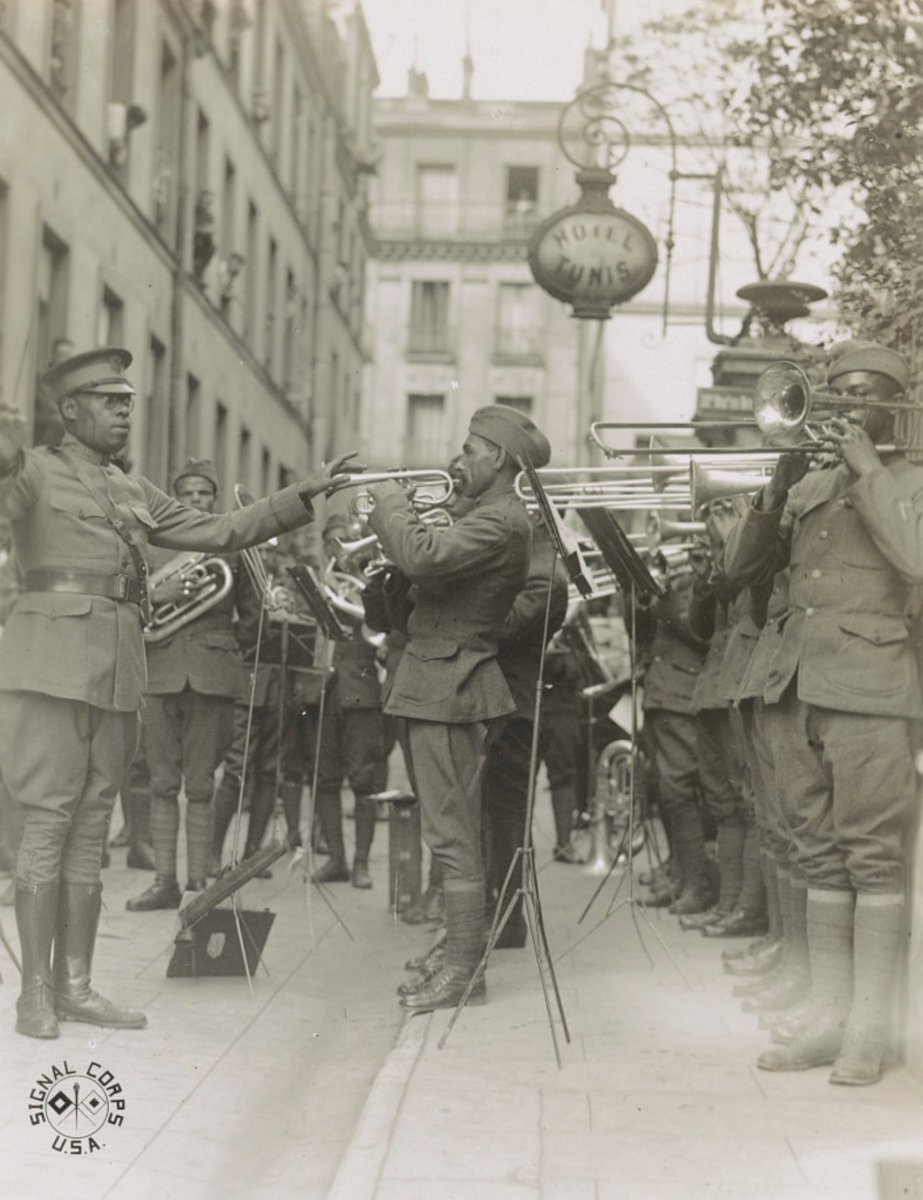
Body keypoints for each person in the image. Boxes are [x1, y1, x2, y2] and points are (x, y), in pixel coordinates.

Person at [0, 347, 351, 1039]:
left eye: (128, 399)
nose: (125, 409)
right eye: (108, 399)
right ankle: (34, 994)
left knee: (92, 826)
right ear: (68, 409)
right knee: (47, 820)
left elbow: (220, 532)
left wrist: (305, 492)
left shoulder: (134, 488)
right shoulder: (34, 472)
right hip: (46, 663)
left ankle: (76, 985)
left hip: (118, 667)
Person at [724, 341, 923, 1085]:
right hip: (793, 687)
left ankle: (868, 1033)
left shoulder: (906, 481)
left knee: (870, 854)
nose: (843, 405)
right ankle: (827, 1021)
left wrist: (868, 468)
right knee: (814, 852)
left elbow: (916, 559)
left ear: (892, 406)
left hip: (871, 689)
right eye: (835, 392)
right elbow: (738, 575)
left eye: (863, 393)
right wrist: (775, 486)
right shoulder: (808, 486)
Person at [366, 404, 547, 1011]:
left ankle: (466, 972)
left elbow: (422, 559)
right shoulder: (486, 514)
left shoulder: (503, 521)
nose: (459, 458)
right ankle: (458, 956)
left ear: (498, 456)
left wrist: (391, 502)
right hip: (438, 678)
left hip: (452, 681)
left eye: (470, 449)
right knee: (451, 829)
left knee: (454, 835)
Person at [126, 459, 248, 910]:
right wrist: (156, 595)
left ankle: (197, 885)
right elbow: (130, 603)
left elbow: (255, 617)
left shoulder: (232, 548)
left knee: (200, 784)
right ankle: (164, 883)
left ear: (214, 499)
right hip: (159, 673)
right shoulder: (152, 549)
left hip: (212, 675)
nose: (197, 500)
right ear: (174, 500)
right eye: (188, 494)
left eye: (204, 494)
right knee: (161, 783)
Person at [482, 512, 568, 947]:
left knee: (507, 816)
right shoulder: (528, 561)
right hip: (497, 703)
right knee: (490, 815)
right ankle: (495, 914)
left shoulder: (545, 572)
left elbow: (505, 623)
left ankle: (510, 918)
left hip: (516, 710)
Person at [309, 514, 387, 889]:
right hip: (323, 690)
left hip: (361, 689)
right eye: (333, 542)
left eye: (347, 541)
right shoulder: (316, 583)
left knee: (363, 781)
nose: (339, 549)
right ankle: (336, 860)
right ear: (324, 545)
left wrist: (365, 585)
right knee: (324, 779)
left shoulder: (372, 582)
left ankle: (360, 864)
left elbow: (382, 628)